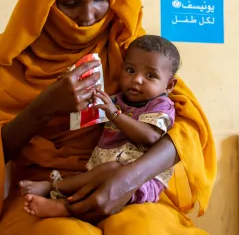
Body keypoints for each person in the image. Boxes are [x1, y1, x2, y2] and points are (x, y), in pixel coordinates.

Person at [0, 0, 233, 235]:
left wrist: (127, 179)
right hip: (47, 190)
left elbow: (184, 128)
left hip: (130, 186)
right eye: (71, 3)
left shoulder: (130, 50)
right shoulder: (12, 65)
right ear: (43, 0)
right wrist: (44, 107)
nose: (88, 16)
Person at [20, 35, 179, 218]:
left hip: (139, 181)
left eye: (150, 75)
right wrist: (73, 86)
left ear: (169, 85)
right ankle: (61, 194)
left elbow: (150, 136)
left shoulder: (161, 105)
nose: (137, 79)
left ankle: (61, 202)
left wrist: (114, 114)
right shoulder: (118, 99)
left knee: (110, 172)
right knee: (97, 177)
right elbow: (91, 103)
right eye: (130, 70)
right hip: (105, 170)